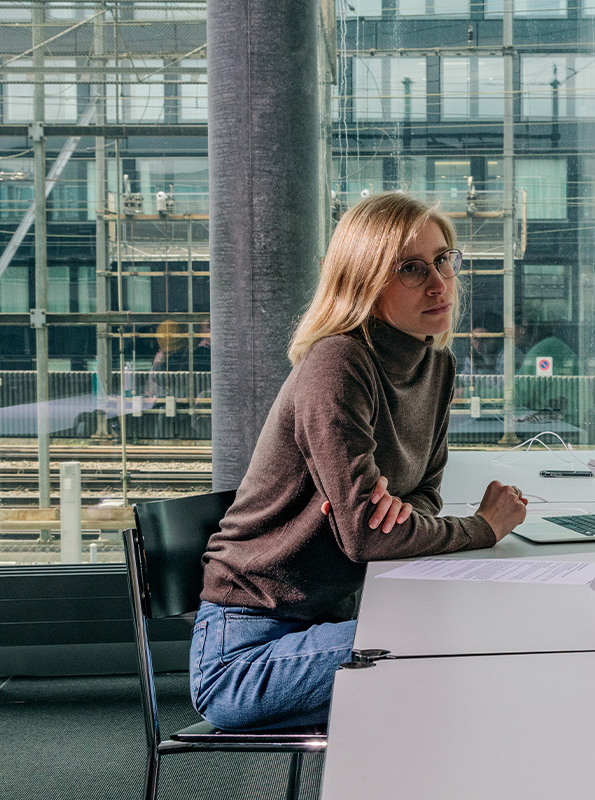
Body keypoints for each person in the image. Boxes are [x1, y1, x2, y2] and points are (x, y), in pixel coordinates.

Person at [193, 193, 529, 731]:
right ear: (365, 284)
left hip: (333, 621)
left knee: (460, 649)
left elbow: (424, 496)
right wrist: (482, 528)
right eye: (411, 269)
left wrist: (399, 511)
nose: (439, 282)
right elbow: (367, 539)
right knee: (461, 645)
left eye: (444, 259)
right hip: (248, 650)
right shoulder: (338, 363)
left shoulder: (435, 365)